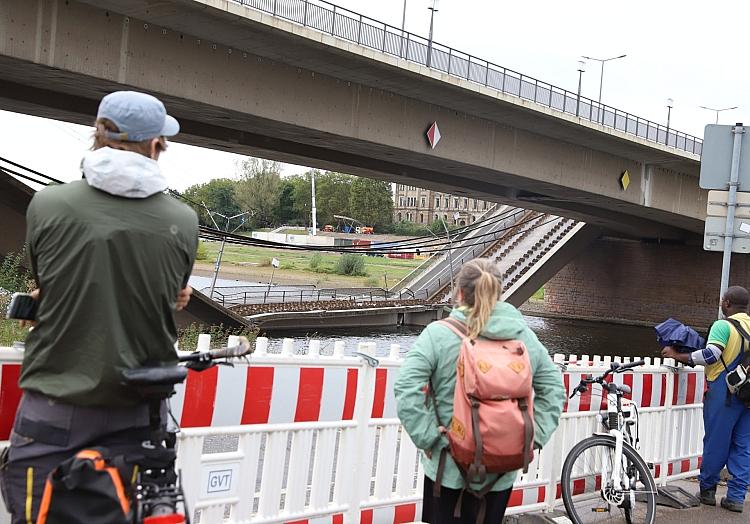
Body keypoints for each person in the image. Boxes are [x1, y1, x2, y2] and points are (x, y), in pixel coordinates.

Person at [0, 91, 199, 523]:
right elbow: (171, 293)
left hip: (55, 405)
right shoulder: (181, 220)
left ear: (98, 133)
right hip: (139, 414)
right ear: (154, 145)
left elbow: (47, 280)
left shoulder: (49, 204)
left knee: (38, 510)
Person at [394, 258, 565, 523]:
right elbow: (553, 388)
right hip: (501, 468)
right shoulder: (522, 336)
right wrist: (531, 437)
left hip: (447, 465)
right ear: (498, 293)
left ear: (460, 293)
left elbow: (406, 387)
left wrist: (429, 437)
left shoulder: (439, 335)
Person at [662, 285, 750, 513]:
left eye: (723, 301)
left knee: (717, 441)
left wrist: (678, 355)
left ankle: (708, 490)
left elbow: (711, 355)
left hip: (725, 392)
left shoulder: (723, 326)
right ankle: (736, 498)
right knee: (743, 445)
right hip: (748, 394)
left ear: (727, 303)